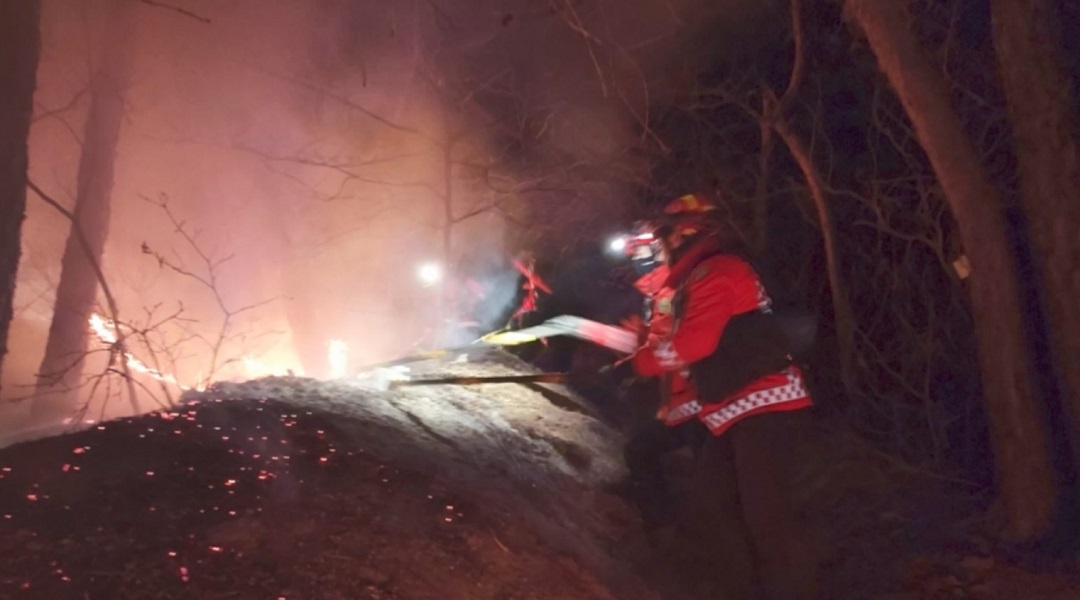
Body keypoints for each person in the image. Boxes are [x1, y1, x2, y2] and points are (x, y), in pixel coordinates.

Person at [627, 192, 819, 600]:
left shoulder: (717, 270)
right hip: (734, 409)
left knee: (769, 521)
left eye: (662, 238)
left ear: (683, 235)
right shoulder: (698, 276)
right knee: (713, 511)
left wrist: (642, 362)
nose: (658, 248)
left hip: (767, 407)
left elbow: (693, 344)